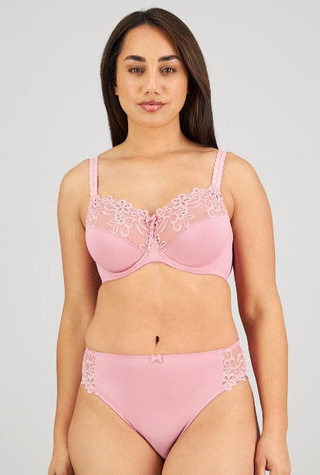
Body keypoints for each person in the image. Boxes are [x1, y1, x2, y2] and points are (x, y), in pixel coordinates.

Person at [48, 7, 290, 475]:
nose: (151, 86)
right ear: (114, 83)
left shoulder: (232, 176)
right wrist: (59, 439)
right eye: (135, 69)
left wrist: (276, 428)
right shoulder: (80, 185)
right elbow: (76, 313)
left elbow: (261, 307)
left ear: (189, 79)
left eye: (168, 69)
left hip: (214, 401)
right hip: (107, 404)